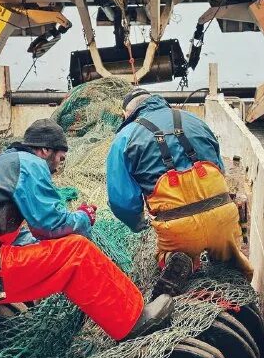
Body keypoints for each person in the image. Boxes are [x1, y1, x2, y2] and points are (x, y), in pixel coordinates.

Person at [0, 118, 172, 339]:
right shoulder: (30, 164)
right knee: (77, 252)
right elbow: (50, 226)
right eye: (60, 159)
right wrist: (83, 218)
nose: (57, 168)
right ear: (44, 150)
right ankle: (134, 321)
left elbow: (17, 237)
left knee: (22, 256)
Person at [106, 88, 253, 297]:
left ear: (128, 114)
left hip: (177, 228)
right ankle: (235, 276)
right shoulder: (195, 120)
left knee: (167, 257)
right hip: (223, 216)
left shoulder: (124, 137)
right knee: (233, 263)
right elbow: (219, 167)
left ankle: (175, 260)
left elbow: (121, 200)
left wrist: (139, 224)